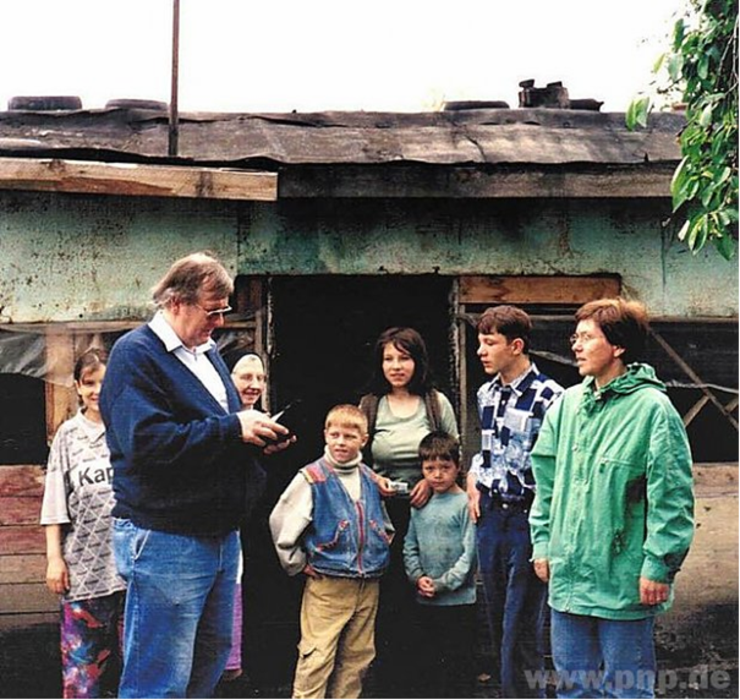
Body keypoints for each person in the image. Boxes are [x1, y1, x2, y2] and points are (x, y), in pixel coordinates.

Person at [99, 252, 292, 699]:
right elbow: (146, 444)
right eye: (214, 309)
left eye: (224, 310)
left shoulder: (205, 355)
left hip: (217, 535)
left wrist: (255, 438)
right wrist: (233, 429)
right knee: (159, 678)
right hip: (168, 538)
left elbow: (214, 434)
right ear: (176, 302)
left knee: (208, 663)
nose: (220, 321)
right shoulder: (136, 355)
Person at [530, 297, 695, 698]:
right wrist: (542, 542)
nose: (576, 345)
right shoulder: (567, 405)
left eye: (587, 337)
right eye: (576, 336)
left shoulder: (653, 410)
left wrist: (658, 564)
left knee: (628, 690)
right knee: (573, 688)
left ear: (617, 346)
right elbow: (545, 481)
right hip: (568, 577)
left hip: (622, 579)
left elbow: (672, 498)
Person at [466, 305, 563, 698]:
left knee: (520, 623)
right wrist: (474, 475)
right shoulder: (486, 393)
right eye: (479, 342)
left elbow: (557, 465)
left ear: (516, 345)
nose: (481, 351)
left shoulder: (551, 397)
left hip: (527, 518)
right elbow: (488, 449)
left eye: (490, 343)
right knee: (496, 617)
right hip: (490, 517)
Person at [269, 404, 393, 700]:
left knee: (357, 659)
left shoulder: (368, 478)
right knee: (317, 656)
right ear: (325, 435)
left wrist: (379, 547)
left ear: (364, 439)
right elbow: (281, 522)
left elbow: (384, 523)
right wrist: (297, 564)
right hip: (328, 586)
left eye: (349, 436)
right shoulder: (313, 477)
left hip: (367, 585)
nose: (341, 442)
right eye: (334, 434)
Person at [358, 326, 459, 690]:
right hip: (383, 515)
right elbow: (350, 456)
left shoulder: (435, 403)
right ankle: (390, 683)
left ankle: (429, 683)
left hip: (428, 512)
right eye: (389, 359)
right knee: (388, 598)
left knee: (427, 592)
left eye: (404, 358)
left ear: (418, 361)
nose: (396, 366)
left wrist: (428, 481)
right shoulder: (370, 405)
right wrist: (373, 478)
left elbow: (452, 452)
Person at [40, 348, 126, 699]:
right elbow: (55, 501)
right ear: (77, 386)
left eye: (105, 382)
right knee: (81, 666)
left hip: (130, 567)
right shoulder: (68, 436)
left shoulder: (129, 428)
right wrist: (54, 559)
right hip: (84, 570)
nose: (97, 391)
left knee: (137, 661)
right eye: (89, 383)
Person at [403, 431, 477, 698]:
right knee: (429, 667)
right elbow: (409, 544)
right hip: (425, 600)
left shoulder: (464, 504)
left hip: (459, 602)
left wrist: (443, 583)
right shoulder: (420, 503)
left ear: (457, 467)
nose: (437, 475)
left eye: (445, 468)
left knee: (458, 670)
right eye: (429, 468)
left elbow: (469, 555)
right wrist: (418, 577)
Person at [220, 352, 269, 683]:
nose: (254, 385)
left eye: (260, 378)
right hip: (226, 528)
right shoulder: (218, 420)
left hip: (258, 529)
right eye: (246, 377)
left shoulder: (267, 420)